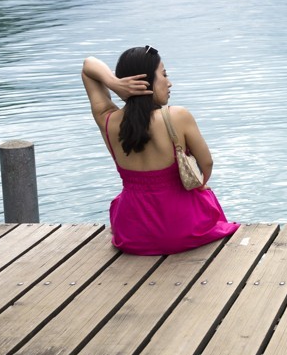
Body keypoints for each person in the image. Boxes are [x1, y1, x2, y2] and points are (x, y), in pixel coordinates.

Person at [82, 46, 238, 255]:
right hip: (184, 228)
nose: (169, 82)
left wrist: (114, 84)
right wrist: (199, 186)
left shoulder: (108, 120)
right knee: (204, 195)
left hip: (133, 233)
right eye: (164, 74)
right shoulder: (177, 116)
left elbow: (88, 67)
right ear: (146, 81)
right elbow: (206, 164)